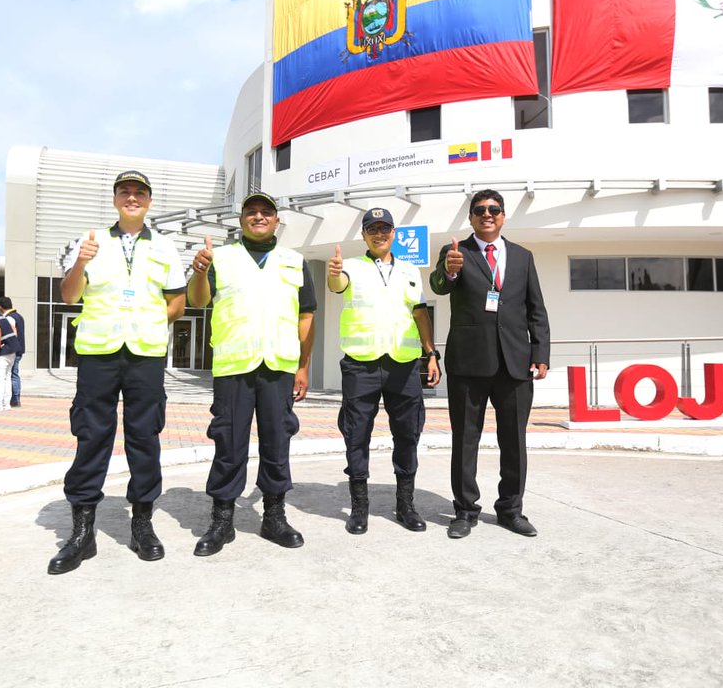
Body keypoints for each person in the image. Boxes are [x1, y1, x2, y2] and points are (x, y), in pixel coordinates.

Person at [47, 169, 186, 575]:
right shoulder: (90, 241)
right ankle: (82, 531)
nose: (132, 197)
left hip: (145, 355)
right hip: (98, 353)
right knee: (92, 436)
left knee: (145, 437)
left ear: (149, 201)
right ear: (115, 199)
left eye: (139, 192)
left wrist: (151, 323)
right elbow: (69, 295)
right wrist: (80, 263)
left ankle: (141, 523)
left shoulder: (165, 246)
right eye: (124, 191)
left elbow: (177, 302)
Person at [187, 192, 316, 557]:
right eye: (251, 212)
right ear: (241, 219)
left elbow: (306, 316)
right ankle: (222, 520)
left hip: (278, 367)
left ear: (277, 220)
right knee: (229, 444)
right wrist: (200, 271)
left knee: (277, 442)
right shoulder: (221, 257)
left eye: (266, 212)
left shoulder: (294, 261)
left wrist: (303, 366)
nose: (259, 217)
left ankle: (274, 516)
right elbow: (198, 300)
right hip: (234, 366)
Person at [430, 189, 550, 539]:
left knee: (514, 441)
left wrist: (540, 353)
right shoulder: (455, 252)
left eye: (494, 209)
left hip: (515, 363)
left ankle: (511, 510)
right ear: (470, 217)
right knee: (465, 440)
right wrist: (449, 272)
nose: (487, 214)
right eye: (480, 209)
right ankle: (465, 511)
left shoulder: (523, 257)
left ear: (503, 215)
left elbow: (536, 309)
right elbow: (439, 286)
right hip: (469, 363)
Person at [327, 207, 440, 535]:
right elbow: (337, 284)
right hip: (361, 365)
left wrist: (431, 353)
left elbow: (420, 313)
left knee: (408, 434)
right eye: (372, 229)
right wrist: (334, 273)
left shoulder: (409, 270)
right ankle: (359, 507)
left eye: (385, 228)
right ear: (364, 235)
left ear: (394, 233)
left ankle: (405, 504)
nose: (379, 234)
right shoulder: (350, 267)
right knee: (356, 434)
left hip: (403, 365)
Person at [0, 297, 26, 407]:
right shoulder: (19, 316)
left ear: (0, 307)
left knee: (11, 374)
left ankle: (13, 399)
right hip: (19, 349)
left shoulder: (9, 318)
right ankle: (16, 399)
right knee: (15, 374)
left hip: (12, 350)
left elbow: (12, 335)